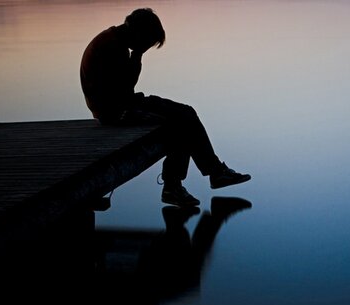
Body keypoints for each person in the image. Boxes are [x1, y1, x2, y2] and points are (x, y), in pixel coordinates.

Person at [80, 8, 251, 207]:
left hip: (121, 103)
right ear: (138, 32)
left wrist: (136, 55)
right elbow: (123, 88)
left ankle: (208, 175)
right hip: (115, 112)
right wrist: (137, 57)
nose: (145, 47)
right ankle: (178, 184)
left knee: (185, 113)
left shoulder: (114, 41)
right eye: (146, 43)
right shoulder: (111, 47)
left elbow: (125, 87)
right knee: (177, 123)